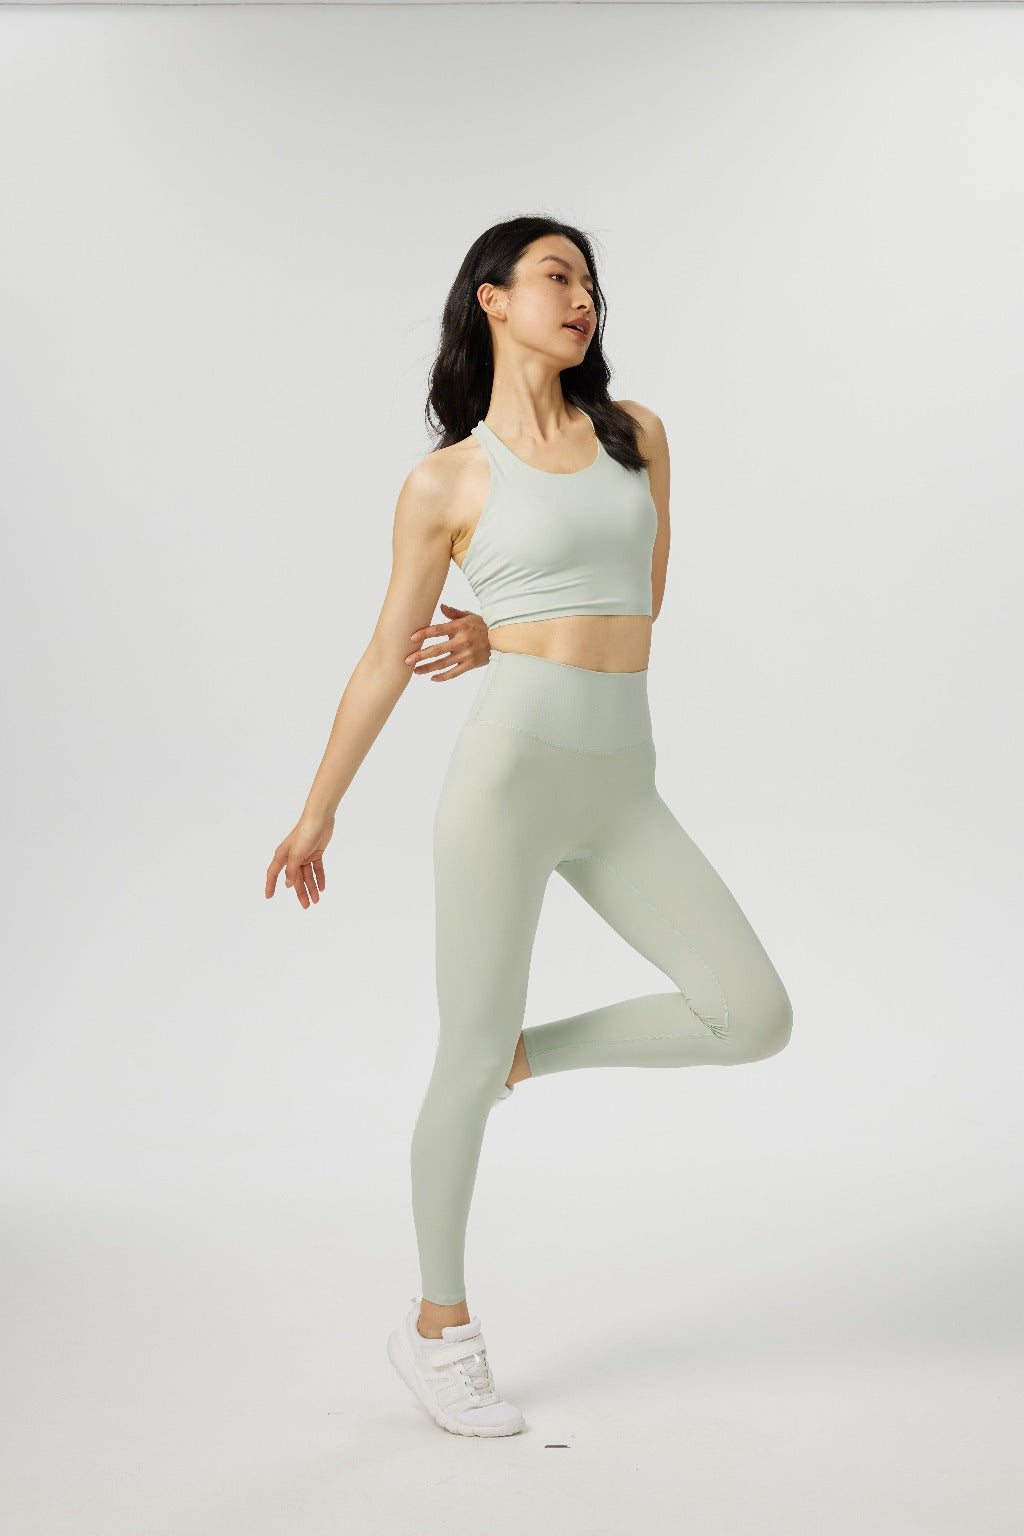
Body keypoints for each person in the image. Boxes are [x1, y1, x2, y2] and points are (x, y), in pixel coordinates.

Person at [265, 218, 794, 1439]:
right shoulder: (447, 480)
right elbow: (384, 656)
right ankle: (436, 1328)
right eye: (557, 275)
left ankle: (525, 1055)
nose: (582, 296)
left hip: (624, 786)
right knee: (458, 1057)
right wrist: (317, 810)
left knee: (752, 1015)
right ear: (492, 300)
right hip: (506, 784)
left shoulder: (636, 436)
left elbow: (641, 599)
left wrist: (500, 630)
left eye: (591, 281)